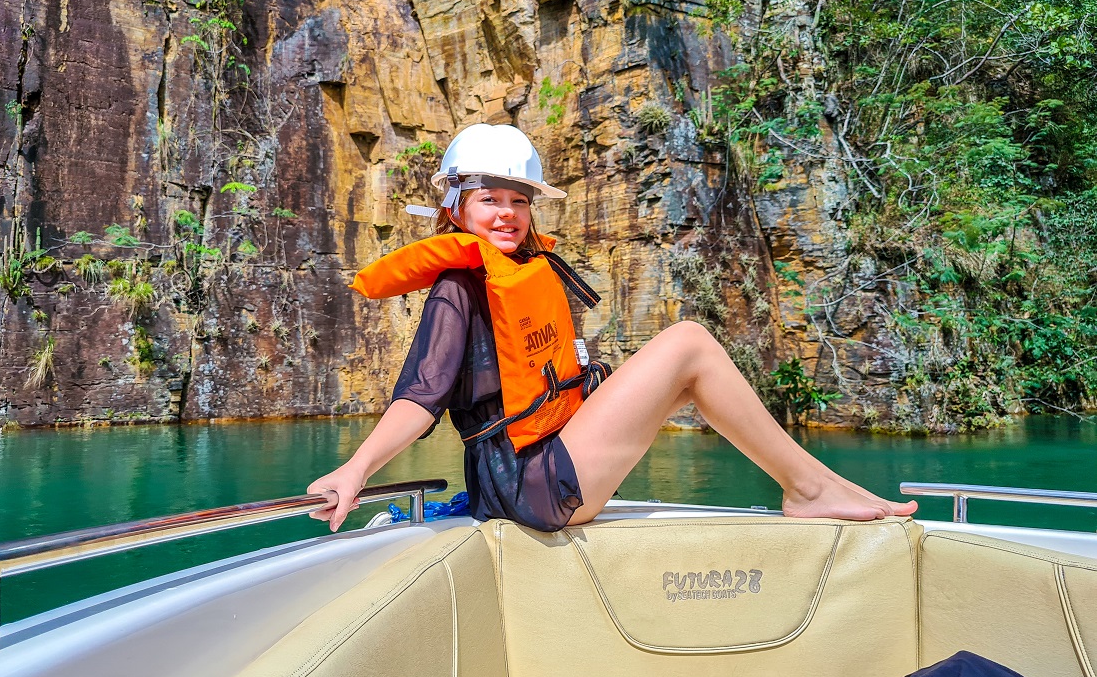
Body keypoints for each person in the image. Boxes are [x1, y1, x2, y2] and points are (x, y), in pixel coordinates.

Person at [308, 124, 916, 532]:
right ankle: (810, 489)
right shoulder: (458, 286)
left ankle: (821, 484)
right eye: (490, 199)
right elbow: (421, 395)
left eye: (520, 201)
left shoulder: (524, 271)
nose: (509, 215)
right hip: (523, 485)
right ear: (455, 208)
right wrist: (355, 470)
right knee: (690, 344)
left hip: (546, 466)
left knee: (687, 372)